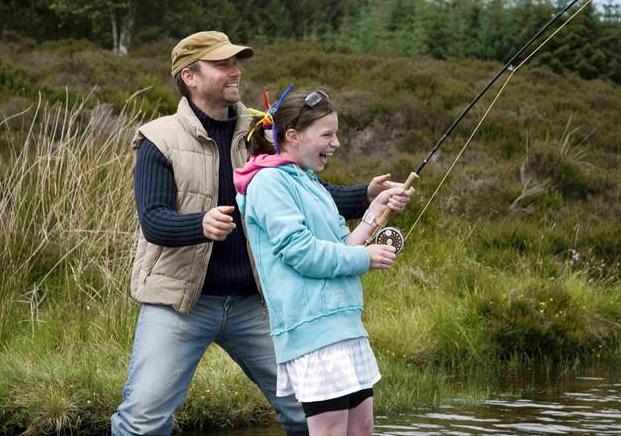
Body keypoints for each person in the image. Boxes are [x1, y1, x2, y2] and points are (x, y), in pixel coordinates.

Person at [110, 31, 412, 435]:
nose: (236, 71)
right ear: (190, 76)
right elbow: (153, 220)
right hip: (180, 303)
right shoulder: (158, 139)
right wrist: (198, 224)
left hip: (254, 304)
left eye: (236, 62)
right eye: (223, 65)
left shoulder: (260, 130)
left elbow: (305, 195)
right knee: (142, 422)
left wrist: (367, 195)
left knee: (309, 413)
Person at [234, 87, 413, 436]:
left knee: (362, 430)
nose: (336, 143)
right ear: (292, 136)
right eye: (327, 134)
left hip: (343, 327)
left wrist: (374, 213)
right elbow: (302, 253)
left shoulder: (308, 180)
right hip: (313, 334)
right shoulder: (269, 183)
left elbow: (338, 245)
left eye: (337, 133)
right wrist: (365, 257)